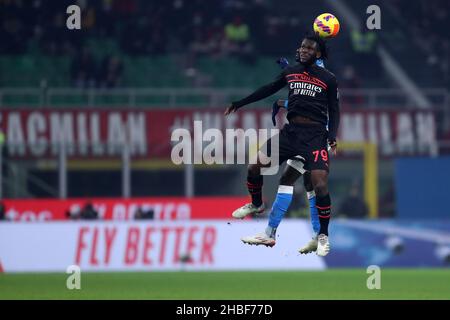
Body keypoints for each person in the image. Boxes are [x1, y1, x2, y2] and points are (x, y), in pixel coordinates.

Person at [224, 34, 340, 256]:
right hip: (291, 134)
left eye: (309, 48)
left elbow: (335, 110)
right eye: (302, 46)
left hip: (315, 136)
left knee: (317, 184)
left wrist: (332, 136)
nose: (303, 50)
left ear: (317, 54)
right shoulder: (291, 72)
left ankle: (321, 235)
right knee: (255, 166)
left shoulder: (328, 78)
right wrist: (240, 103)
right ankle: (257, 204)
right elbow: (268, 88)